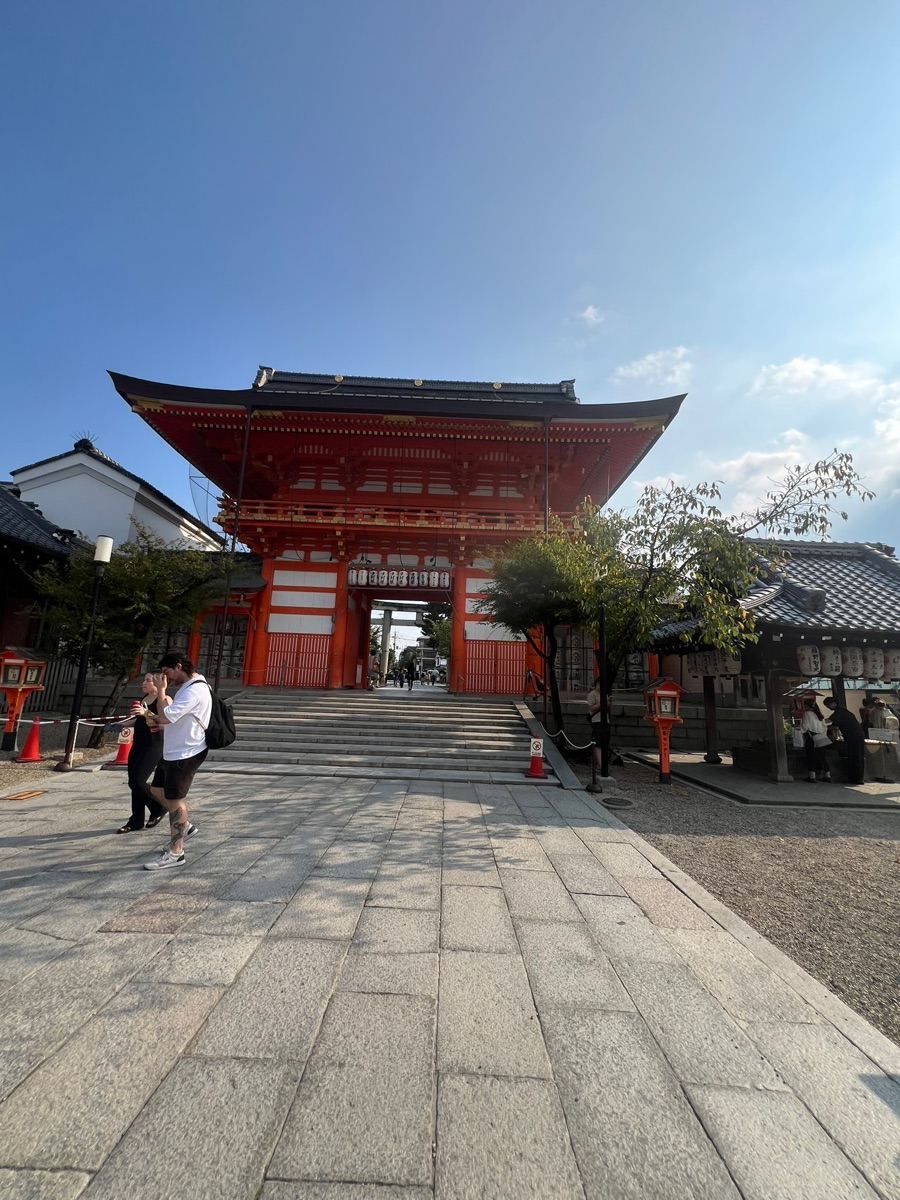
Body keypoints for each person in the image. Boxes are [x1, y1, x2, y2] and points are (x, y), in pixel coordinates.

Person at [143, 652, 212, 870]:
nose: (166, 677)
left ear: (178, 666)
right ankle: (186, 826)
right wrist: (163, 725)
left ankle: (176, 852)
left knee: (175, 800)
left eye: (167, 672)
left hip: (186, 751)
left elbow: (166, 715)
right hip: (174, 749)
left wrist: (162, 691)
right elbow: (177, 719)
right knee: (156, 789)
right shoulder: (190, 687)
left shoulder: (195, 690)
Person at [114, 673, 167, 833]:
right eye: (144, 680)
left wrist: (146, 714)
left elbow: (166, 723)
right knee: (133, 781)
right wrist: (122, 723)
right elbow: (139, 720)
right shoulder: (144, 699)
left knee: (137, 781)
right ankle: (136, 820)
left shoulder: (164, 700)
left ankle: (158, 806)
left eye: (148, 680)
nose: (144, 683)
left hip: (154, 744)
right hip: (138, 742)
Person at [823, 697, 866, 785]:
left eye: (828, 705)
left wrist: (817, 724)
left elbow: (828, 721)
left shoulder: (839, 712)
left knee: (856, 757)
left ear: (834, 703)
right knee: (855, 757)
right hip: (855, 736)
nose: (828, 707)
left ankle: (857, 779)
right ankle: (855, 778)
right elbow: (834, 726)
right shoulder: (843, 712)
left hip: (854, 737)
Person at [798, 697, 832, 783]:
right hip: (822, 736)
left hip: (811, 737)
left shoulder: (807, 714)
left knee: (811, 756)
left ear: (806, 705)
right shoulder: (820, 715)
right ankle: (827, 775)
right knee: (822, 756)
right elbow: (825, 727)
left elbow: (805, 726)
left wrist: (800, 729)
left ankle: (812, 776)